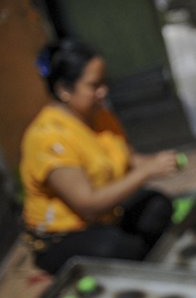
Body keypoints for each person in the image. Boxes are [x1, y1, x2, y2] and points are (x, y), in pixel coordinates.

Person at [20, 38, 180, 275]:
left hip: (106, 216)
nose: (103, 91)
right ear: (64, 90)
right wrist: (145, 173)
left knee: (158, 206)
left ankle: (138, 262)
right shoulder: (49, 138)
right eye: (94, 85)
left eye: (104, 82)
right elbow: (88, 206)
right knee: (119, 248)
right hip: (64, 235)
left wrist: (158, 163)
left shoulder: (99, 115)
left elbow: (128, 159)